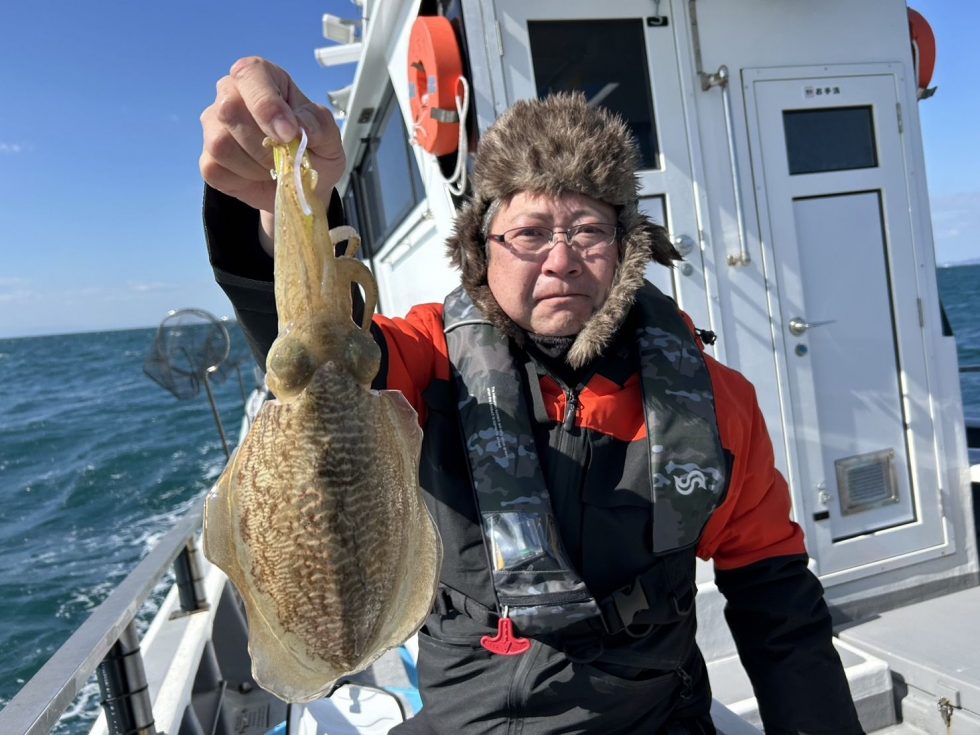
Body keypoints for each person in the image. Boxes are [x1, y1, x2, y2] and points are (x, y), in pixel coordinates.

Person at [200, 57, 864, 734]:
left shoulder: (720, 403)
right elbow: (326, 354)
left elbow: (777, 601)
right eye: (529, 232)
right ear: (482, 246)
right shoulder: (430, 357)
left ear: (625, 247)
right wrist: (284, 203)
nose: (561, 258)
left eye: (588, 229)